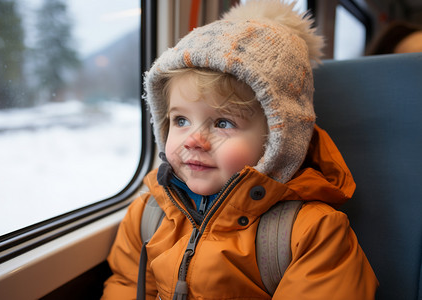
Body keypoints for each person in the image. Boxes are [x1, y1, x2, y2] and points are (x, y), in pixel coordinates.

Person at [102, 1, 378, 299]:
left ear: (277, 138)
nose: (193, 140)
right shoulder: (149, 213)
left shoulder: (311, 234)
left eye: (223, 122)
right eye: (180, 120)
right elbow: (128, 285)